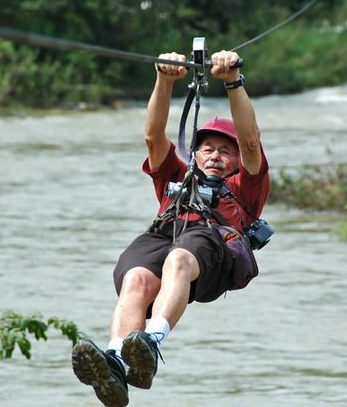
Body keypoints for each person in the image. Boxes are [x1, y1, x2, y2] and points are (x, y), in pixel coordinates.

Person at [71, 50, 270, 407]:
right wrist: (164, 81)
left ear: (238, 162)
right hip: (166, 235)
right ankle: (117, 360)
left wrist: (233, 81)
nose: (215, 156)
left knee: (179, 258)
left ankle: (151, 341)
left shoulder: (247, 186)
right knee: (137, 277)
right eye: (207, 148)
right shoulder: (176, 176)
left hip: (211, 249)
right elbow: (152, 137)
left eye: (226, 152)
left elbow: (251, 141)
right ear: (194, 155)